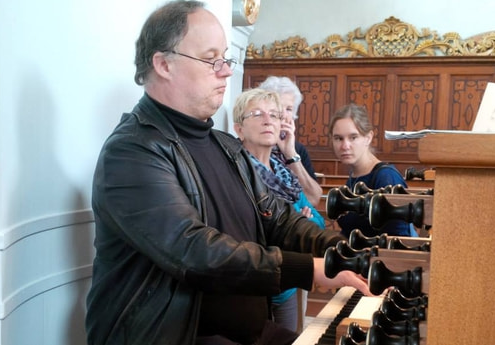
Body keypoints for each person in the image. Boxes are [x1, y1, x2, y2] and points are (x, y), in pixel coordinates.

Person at [85, 2, 371, 345]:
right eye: (211, 59)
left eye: (225, 58)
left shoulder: (225, 145)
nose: (226, 72)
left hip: (247, 333)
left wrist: (339, 250)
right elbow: (193, 252)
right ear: (163, 64)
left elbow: (278, 219)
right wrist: (308, 269)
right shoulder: (132, 151)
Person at [232, 88, 325, 332]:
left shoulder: (282, 171)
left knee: (290, 337)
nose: (268, 120)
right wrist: (296, 224)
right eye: (257, 114)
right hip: (255, 278)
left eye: (274, 115)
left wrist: (297, 225)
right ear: (239, 128)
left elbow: (317, 221)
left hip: (289, 281)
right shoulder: (235, 170)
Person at [329, 103, 418, 238]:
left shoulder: (386, 177)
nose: (345, 146)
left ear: (368, 138)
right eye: (338, 138)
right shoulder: (354, 177)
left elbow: (398, 239)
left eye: (353, 137)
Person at [258, 76, 322, 207]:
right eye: (278, 107)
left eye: (289, 109)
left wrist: (290, 154)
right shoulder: (252, 145)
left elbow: (314, 199)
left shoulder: (298, 149)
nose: (284, 115)